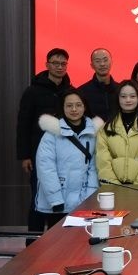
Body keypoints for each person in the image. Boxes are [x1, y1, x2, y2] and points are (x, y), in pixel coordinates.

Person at [16, 47, 73, 236]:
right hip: (38, 154)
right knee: (38, 199)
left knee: (61, 199)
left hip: (64, 154)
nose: (59, 67)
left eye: (63, 63)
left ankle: (56, 242)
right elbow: (23, 124)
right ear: (47, 64)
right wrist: (24, 156)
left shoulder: (70, 91)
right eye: (55, 63)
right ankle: (33, 242)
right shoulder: (32, 91)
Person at [35, 90, 101, 227]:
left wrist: (90, 198)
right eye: (69, 105)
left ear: (85, 107)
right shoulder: (51, 134)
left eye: (78, 105)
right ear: (62, 107)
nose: (74, 109)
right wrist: (56, 200)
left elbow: (94, 168)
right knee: (57, 238)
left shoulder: (93, 133)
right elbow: (46, 168)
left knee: (83, 237)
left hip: (83, 201)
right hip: (58, 203)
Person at [96, 80, 138, 184]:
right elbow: (103, 163)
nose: (128, 100)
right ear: (117, 99)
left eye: (132, 96)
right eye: (123, 96)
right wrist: (114, 187)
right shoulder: (106, 129)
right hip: (113, 189)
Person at [79, 48, 118, 121]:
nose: (102, 64)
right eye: (98, 61)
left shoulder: (121, 89)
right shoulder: (81, 92)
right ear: (92, 65)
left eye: (105, 60)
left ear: (111, 62)